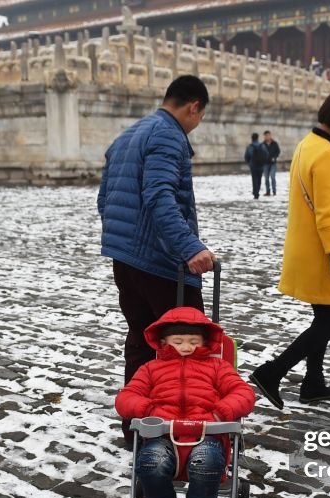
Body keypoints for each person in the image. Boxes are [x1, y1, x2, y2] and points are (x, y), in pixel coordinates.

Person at [99, 75, 216, 447]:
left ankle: (138, 429)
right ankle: (184, 432)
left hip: (126, 260)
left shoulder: (129, 134)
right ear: (193, 106)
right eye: (199, 117)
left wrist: (126, 243)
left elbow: (105, 199)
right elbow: (160, 196)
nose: (196, 125)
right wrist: (189, 247)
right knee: (187, 348)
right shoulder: (168, 135)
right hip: (162, 266)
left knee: (141, 342)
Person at [250, 86, 330, 409]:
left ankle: (313, 382)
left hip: (306, 248)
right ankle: (271, 372)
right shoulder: (328, 155)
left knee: (323, 318)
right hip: (323, 252)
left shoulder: (309, 144)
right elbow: (329, 213)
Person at [115, 307, 255, 498]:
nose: (186, 347)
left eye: (193, 341)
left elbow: (243, 393)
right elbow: (126, 397)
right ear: (163, 341)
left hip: (206, 432)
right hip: (163, 434)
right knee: (151, 463)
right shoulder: (151, 368)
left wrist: (220, 414)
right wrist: (148, 410)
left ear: (205, 342)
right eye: (178, 341)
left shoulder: (217, 367)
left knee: (206, 463)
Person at [244, 132, 269, 199]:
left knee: (254, 179)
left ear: (252, 138)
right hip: (261, 165)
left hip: (253, 165)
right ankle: (257, 190)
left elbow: (247, 156)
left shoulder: (250, 146)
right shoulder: (262, 145)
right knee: (259, 179)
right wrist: (263, 162)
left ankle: (255, 193)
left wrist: (249, 163)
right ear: (257, 138)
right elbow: (266, 154)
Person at [262, 130, 281, 196]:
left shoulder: (274, 143)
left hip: (273, 163)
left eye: (268, 135)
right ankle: (268, 191)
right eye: (266, 136)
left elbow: (278, 151)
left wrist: (275, 157)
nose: (267, 137)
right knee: (266, 178)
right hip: (265, 163)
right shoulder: (262, 144)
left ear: (270, 135)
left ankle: (274, 191)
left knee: (272, 177)